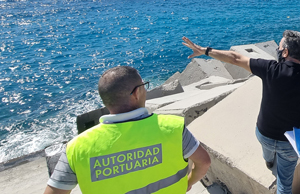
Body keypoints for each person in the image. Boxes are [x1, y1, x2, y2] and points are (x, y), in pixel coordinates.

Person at [182, 31, 300, 194]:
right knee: (284, 186)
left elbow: (235, 58)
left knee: (268, 154)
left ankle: (269, 161)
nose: (278, 50)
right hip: (290, 142)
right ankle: (272, 163)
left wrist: (205, 51)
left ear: (285, 52)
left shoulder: (270, 69)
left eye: (279, 47)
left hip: (264, 134)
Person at [44, 66, 211, 194]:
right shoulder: (172, 127)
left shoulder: (75, 148)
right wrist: (188, 182)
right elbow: (204, 162)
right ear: (137, 93)